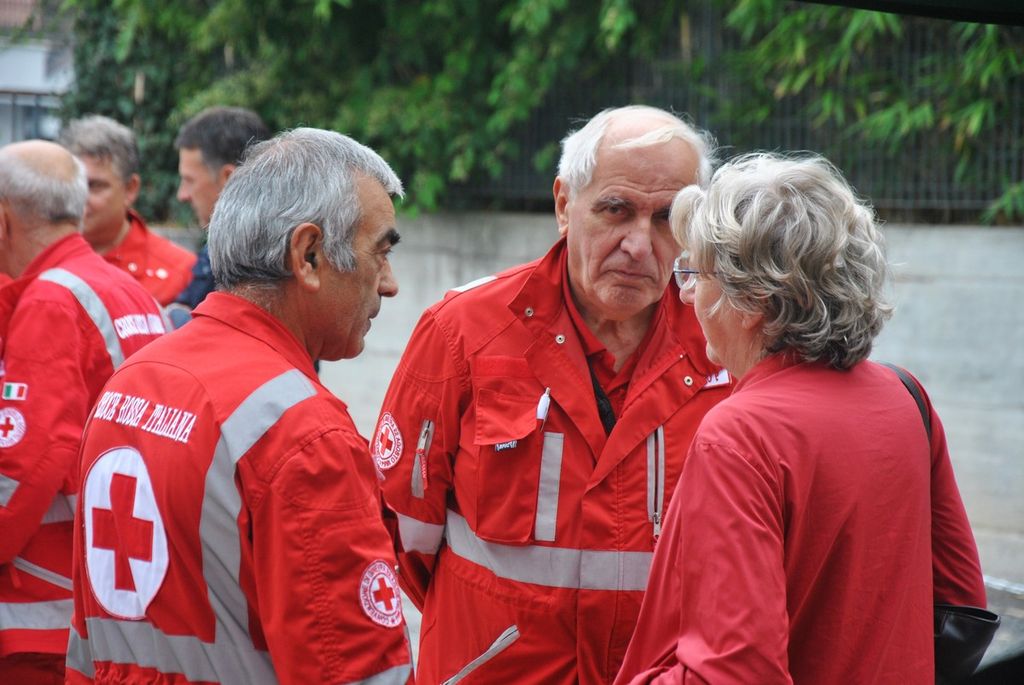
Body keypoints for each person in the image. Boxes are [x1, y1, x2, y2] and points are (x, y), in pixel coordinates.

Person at [372, 105, 732, 684]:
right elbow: (400, 536)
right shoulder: (463, 333)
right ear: (564, 205)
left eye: (667, 219)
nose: (639, 245)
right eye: (616, 210)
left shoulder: (726, 345)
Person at [615, 152, 987, 684]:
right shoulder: (905, 396)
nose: (688, 293)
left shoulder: (741, 434)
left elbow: (734, 673)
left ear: (752, 301)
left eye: (696, 274)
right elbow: (961, 603)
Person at [64, 128, 413, 684]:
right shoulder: (303, 433)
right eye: (381, 252)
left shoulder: (131, 382)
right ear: (309, 255)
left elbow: (87, 641)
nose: (389, 285)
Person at [0, 140, 165, 683]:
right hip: (114, 585)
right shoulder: (124, 287)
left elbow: (23, 465)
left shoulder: (50, 300)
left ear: (3, 221)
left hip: (45, 609)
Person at [59, 115, 197, 305]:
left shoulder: (180, 274)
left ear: (130, 188)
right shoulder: (31, 259)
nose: (80, 198)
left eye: (94, 186)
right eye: (72, 186)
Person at [172, 106, 271, 319]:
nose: (182, 195)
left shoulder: (252, 266)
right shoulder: (279, 251)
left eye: (189, 180)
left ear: (229, 179)